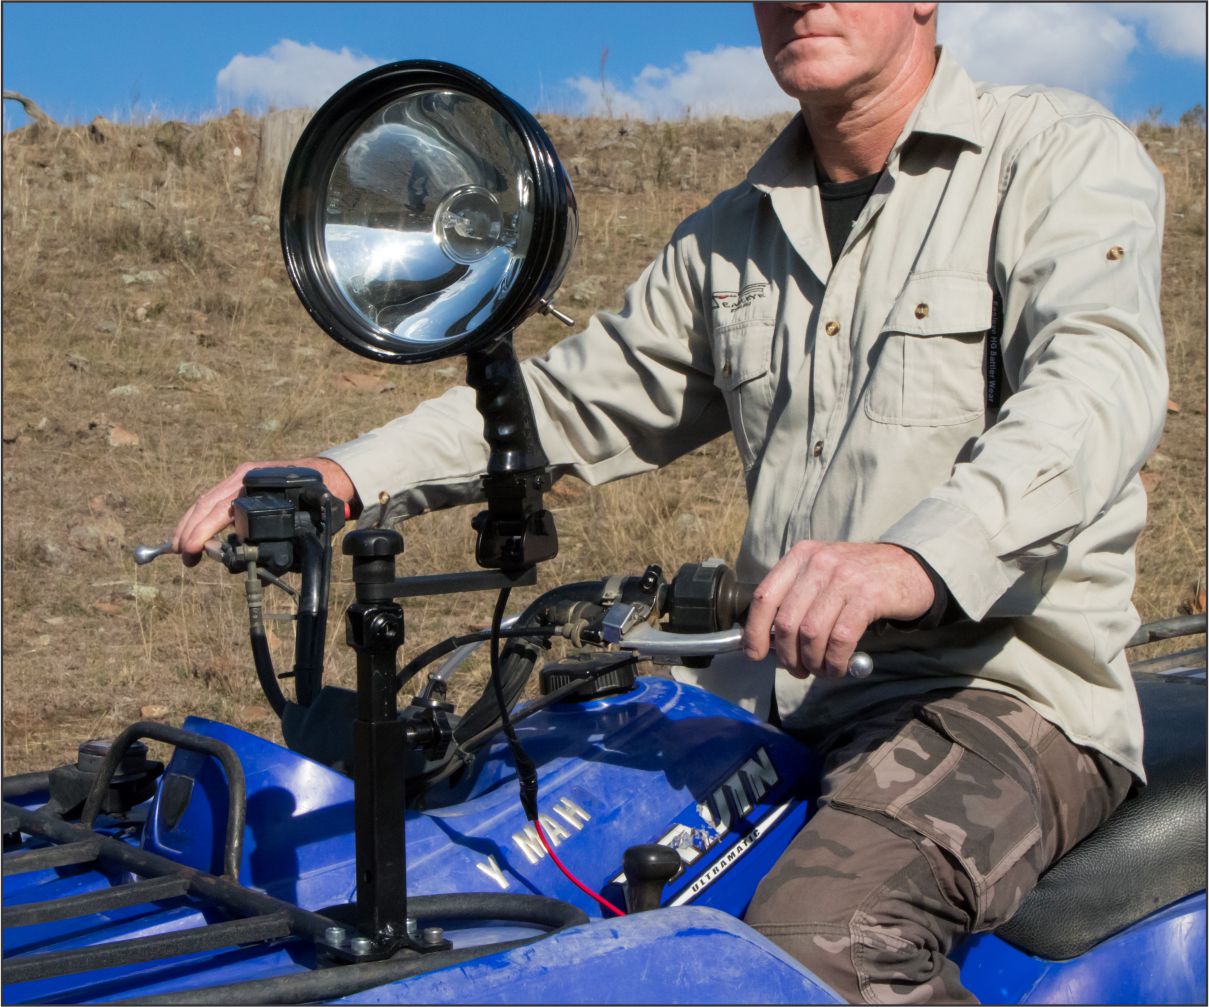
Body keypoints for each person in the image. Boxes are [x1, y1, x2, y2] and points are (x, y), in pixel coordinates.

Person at [173, 3, 1167, 1001]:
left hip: (994, 695)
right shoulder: (734, 235)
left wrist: (914, 557)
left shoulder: (1050, 157)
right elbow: (566, 401)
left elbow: (1093, 389)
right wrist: (348, 472)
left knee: (823, 942)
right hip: (773, 687)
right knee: (523, 885)